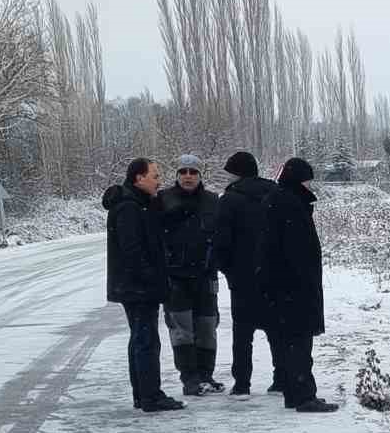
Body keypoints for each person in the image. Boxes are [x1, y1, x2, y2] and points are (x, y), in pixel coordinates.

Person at [104, 158, 184, 412]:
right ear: (139, 178)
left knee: (141, 338)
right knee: (146, 340)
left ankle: (143, 394)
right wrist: (150, 276)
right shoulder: (129, 207)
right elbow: (132, 249)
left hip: (136, 285)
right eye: (154, 176)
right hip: (137, 287)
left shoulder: (141, 204)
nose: (159, 181)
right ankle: (150, 395)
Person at [259, 157, 338, 413]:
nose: (308, 186)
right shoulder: (290, 204)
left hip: (282, 286)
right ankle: (304, 395)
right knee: (299, 342)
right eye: (306, 180)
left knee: (290, 341)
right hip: (294, 287)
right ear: (297, 179)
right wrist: (303, 281)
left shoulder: (277, 200)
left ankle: (295, 393)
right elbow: (296, 250)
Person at [210, 150, 282, 396]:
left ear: (235, 174)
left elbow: (221, 241)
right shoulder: (274, 193)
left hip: (242, 277)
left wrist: (227, 269)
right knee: (276, 329)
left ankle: (242, 382)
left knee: (242, 333)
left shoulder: (229, 200)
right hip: (273, 274)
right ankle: (281, 377)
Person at [158, 154, 222, 397]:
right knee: (181, 329)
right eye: (183, 171)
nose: (187, 176)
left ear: (200, 175)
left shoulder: (212, 200)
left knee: (208, 326)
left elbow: (221, 236)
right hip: (174, 278)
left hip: (206, 276)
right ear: (176, 175)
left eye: (192, 172)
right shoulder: (163, 199)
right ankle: (190, 378)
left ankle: (206, 375)